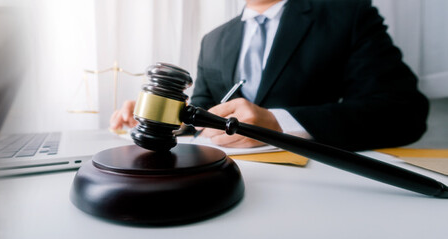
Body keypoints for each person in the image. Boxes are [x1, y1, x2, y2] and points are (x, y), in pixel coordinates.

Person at [109, 0, 429, 150]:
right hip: (222, 178)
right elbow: (204, 109)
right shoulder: (213, 39)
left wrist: (279, 124)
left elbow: (404, 112)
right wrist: (164, 118)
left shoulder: (348, 14)